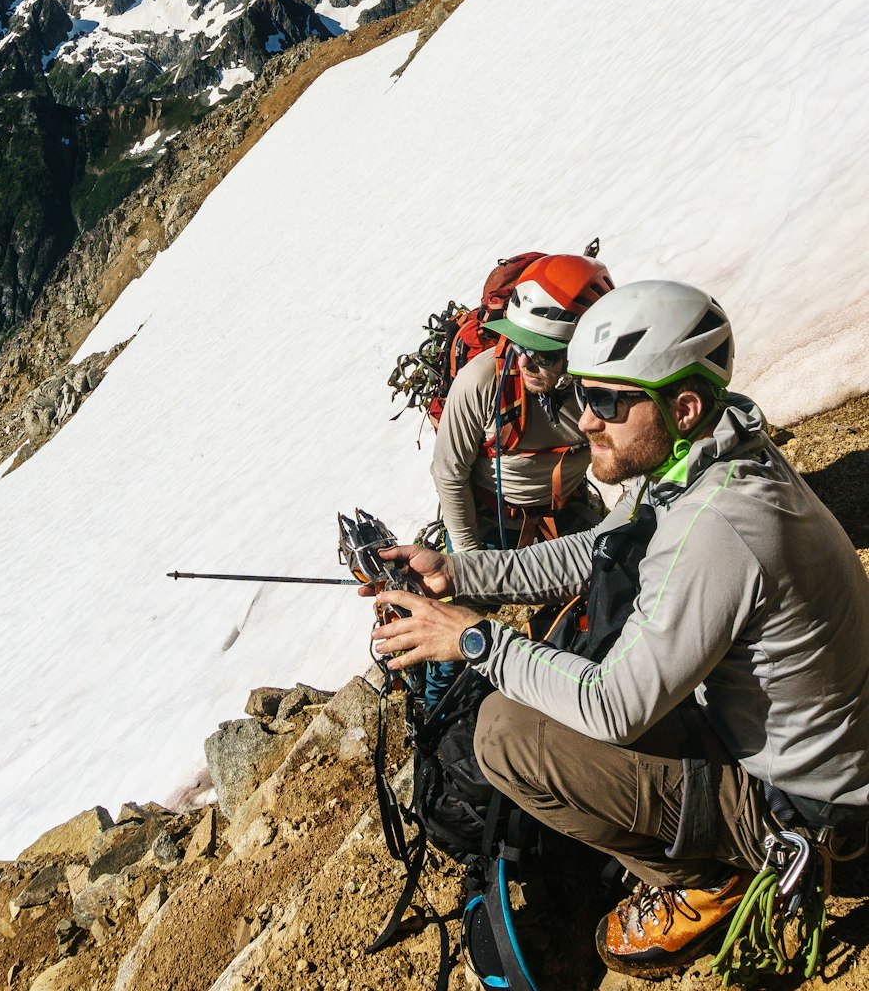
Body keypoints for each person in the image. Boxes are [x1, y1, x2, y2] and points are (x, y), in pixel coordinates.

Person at [369, 280, 869, 977]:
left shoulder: (716, 527)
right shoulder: (702, 457)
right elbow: (599, 548)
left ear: (682, 405)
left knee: (504, 736)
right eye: (582, 394)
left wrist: (473, 639)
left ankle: (700, 880)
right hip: (808, 761)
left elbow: (612, 705)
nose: (584, 422)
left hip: (806, 815)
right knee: (548, 683)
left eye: (608, 401)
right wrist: (461, 576)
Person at [432, 252, 614, 552]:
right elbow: (449, 473)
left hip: (567, 507)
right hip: (491, 521)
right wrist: (468, 560)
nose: (524, 361)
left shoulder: (610, 386)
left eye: (544, 353)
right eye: (517, 343)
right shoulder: (482, 380)